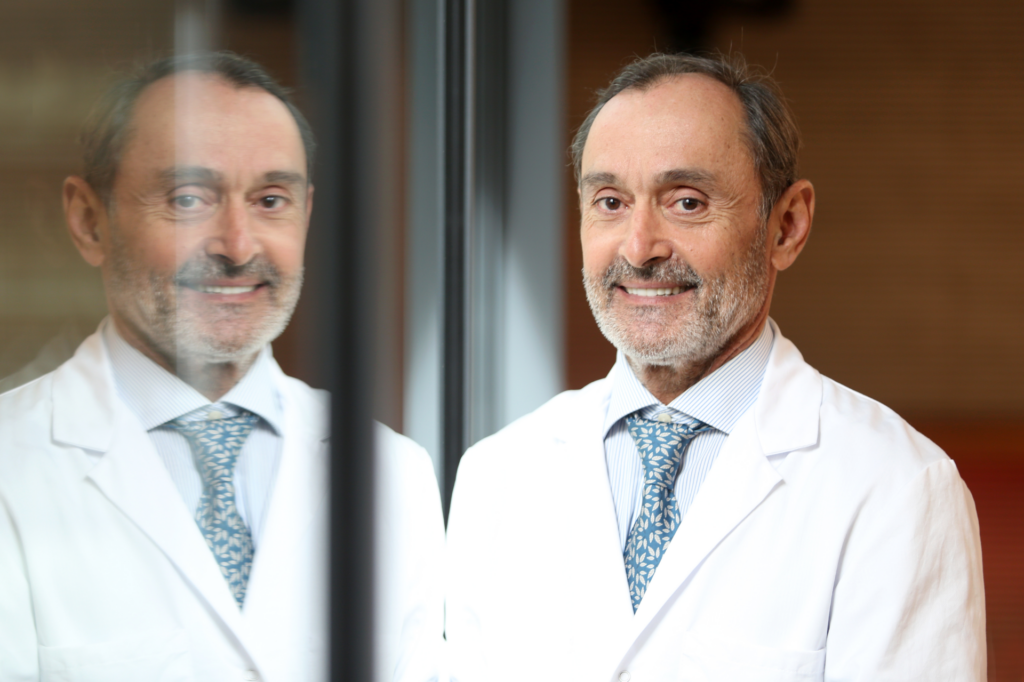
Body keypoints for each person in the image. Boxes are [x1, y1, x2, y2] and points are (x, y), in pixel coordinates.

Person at [445, 53, 986, 681]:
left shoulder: (897, 489)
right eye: (611, 201)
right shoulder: (496, 474)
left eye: (687, 202)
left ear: (786, 226)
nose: (639, 248)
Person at [0, 52, 444, 682]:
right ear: (89, 221)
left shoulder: (392, 470)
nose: (238, 245)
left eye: (270, 200)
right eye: (188, 199)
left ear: (307, 213)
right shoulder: (13, 461)